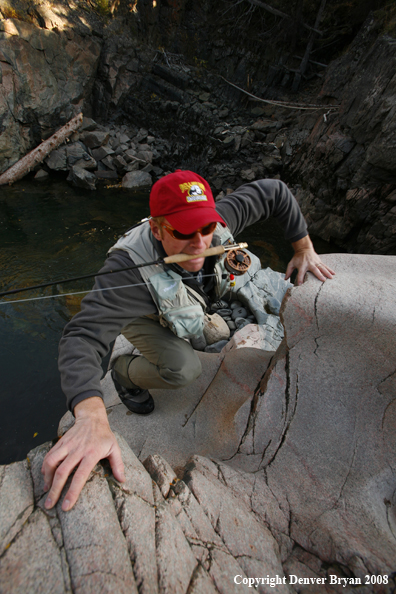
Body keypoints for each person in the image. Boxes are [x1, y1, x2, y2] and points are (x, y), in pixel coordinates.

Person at [42, 170, 335, 511]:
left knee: (217, 326)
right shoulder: (124, 272)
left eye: (207, 228)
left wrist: (304, 248)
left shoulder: (217, 224)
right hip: (144, 314)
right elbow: (83, 336)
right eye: (183, 231)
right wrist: (90, 415)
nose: (200, 243)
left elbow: (274, 191)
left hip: (188, 298)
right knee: (184, 369)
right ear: (156, 228)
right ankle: (125, 372)